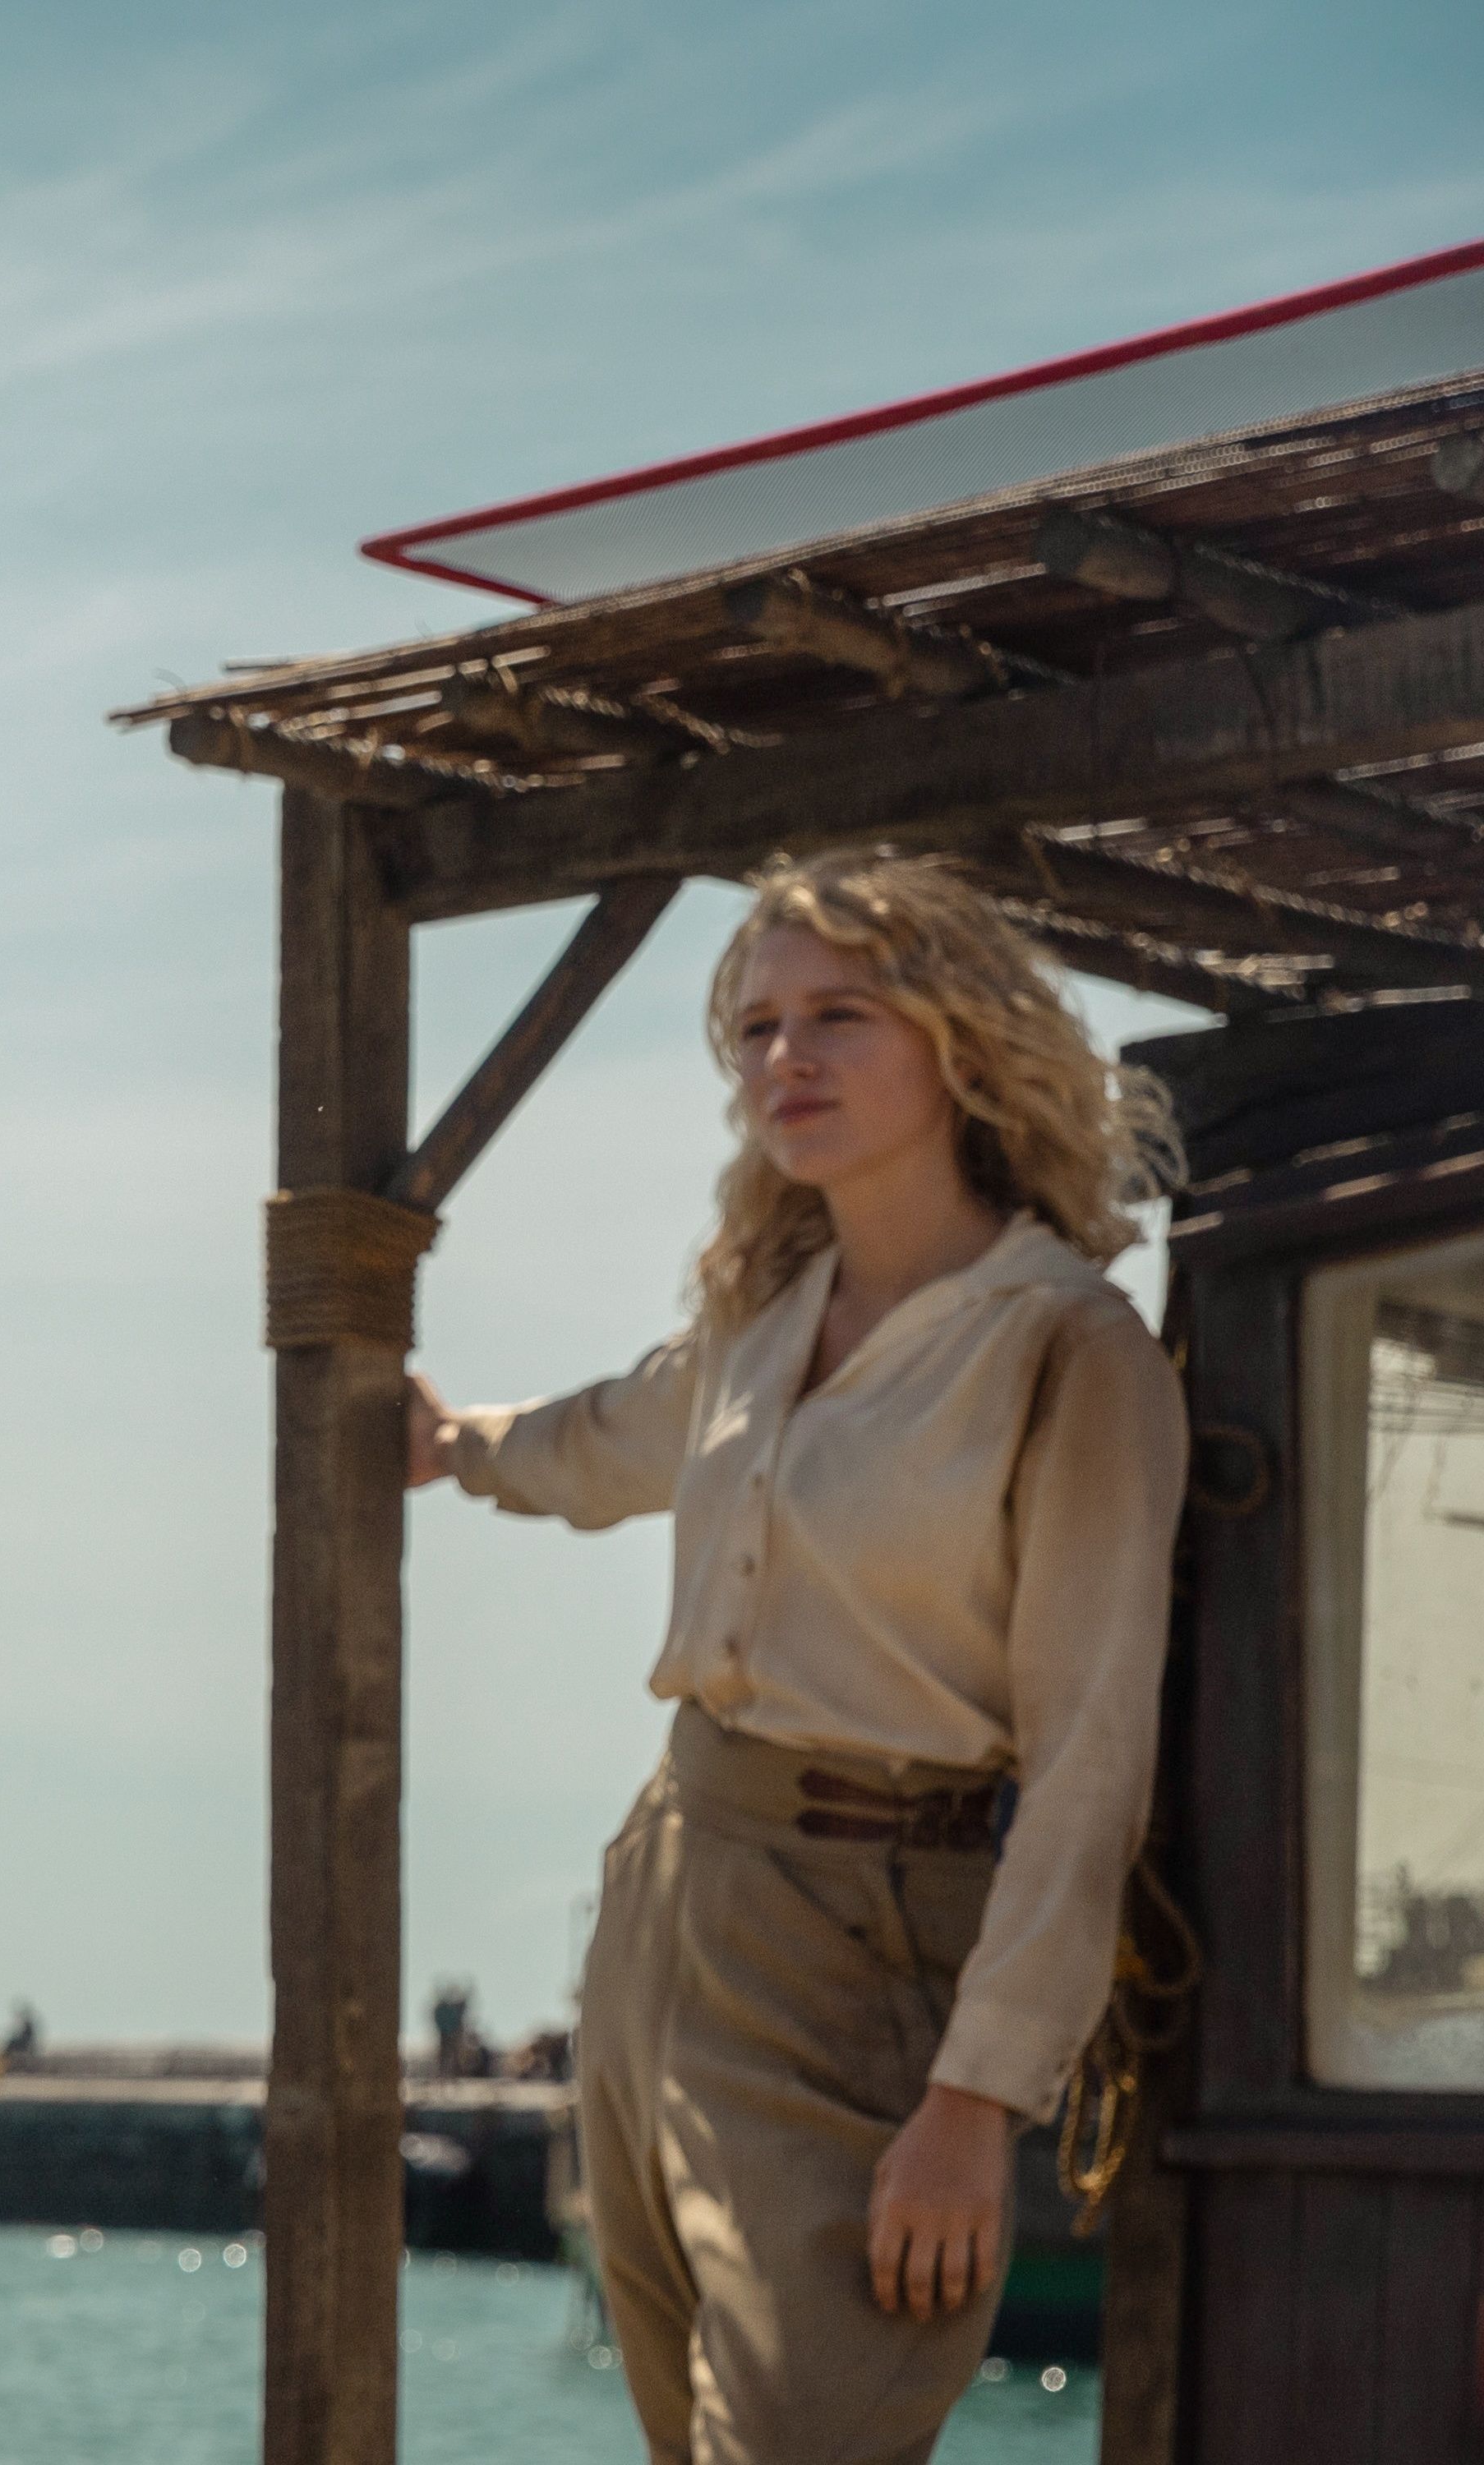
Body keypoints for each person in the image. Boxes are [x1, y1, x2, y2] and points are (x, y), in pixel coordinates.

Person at [408, 851, 1175, 2463]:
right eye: (754, 1029)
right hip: (669, 1896)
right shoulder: (766, 1314)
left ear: (961, 1041)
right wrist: (443, 1439)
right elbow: (598, 1446)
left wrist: (978, 2105)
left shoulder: (1067, 1348)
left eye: (839, 1016)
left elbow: (1093, 1757)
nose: (784, 1062)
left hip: (877, 1937)